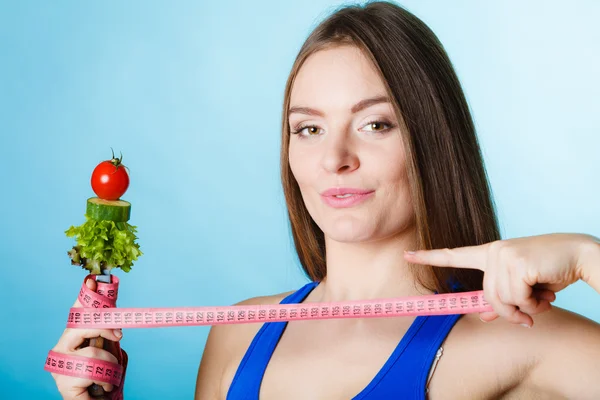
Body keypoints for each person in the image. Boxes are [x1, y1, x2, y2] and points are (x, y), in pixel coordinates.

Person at [50, 1, 600, 399]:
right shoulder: (237, 336)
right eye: (308, 129)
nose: (335, 157)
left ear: (433, 139)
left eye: (375, 124)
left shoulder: (524, 343)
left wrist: (586, 256)